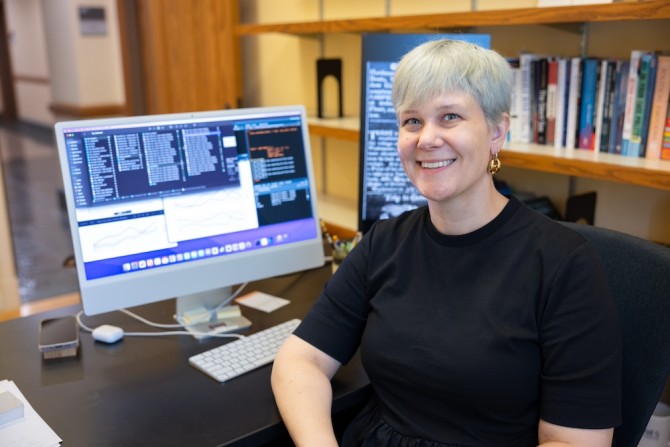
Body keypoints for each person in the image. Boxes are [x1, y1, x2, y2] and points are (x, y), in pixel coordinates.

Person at [271, 38, 622, 447]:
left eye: (450, 116)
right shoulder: (384, 242)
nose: (427, 139)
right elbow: (300, 359)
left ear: (497, 131)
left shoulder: (564, 265)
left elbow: (575, 442)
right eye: (412, 121)